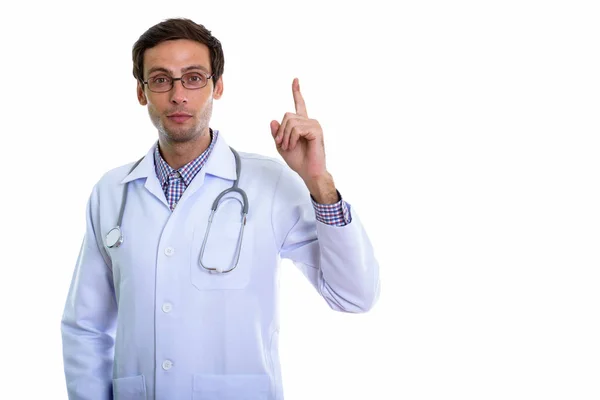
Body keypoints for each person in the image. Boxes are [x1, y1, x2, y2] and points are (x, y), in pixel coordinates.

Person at [61, 17, 380, 400]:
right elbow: (86, 327)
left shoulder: (271, 184)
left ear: (219, 86)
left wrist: (319, 182)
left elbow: (355, 295)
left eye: (194, 78)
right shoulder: (111, 193)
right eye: (161, 79)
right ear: (142, 92)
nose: (179, 95)